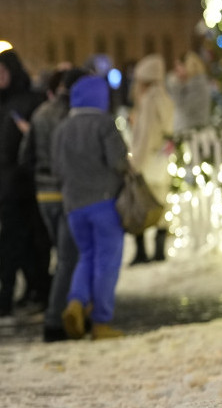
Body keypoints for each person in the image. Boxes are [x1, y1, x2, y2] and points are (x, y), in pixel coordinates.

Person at [52, 75, 128, 340]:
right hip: (104, 202)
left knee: (86, 256)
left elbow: (57, 168)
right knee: (107, 261)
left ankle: (76, 302)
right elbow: (119, 161)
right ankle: (101, 322)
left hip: (74, 206)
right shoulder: (104, 123)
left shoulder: (62, 128)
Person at [21, 68, 87, 342]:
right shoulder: (73, 115)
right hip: (66, 193)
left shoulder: (40, 113)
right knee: (68, 258)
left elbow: (25, 156)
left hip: (43, 193)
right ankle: (55, 320)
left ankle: (69, 312)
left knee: (64, 256)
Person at [0, 49, 48, 317]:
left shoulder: (30, 102)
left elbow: (33, 143)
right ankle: (34, 289)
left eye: (3, 72)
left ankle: (7, 296)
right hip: (1, 187)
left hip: (22, 187)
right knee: (19, 246)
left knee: (13, 246)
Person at [129, 54, 176, 264]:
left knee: (139, 204)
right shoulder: (165, 98)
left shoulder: (148, 101)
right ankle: (159, 251)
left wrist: (135, 163)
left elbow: (145, 135)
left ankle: (142, 252)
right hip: (163, 160)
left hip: (148, 162)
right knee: (161, 205)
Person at [169, 51, 212, 133]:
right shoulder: (191, 85)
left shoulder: (197, 85)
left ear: (187, 66)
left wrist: (175, 85)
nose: (176, 70)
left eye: (179, 66)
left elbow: (184, 107)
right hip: (190, 131)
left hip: (193, 133)